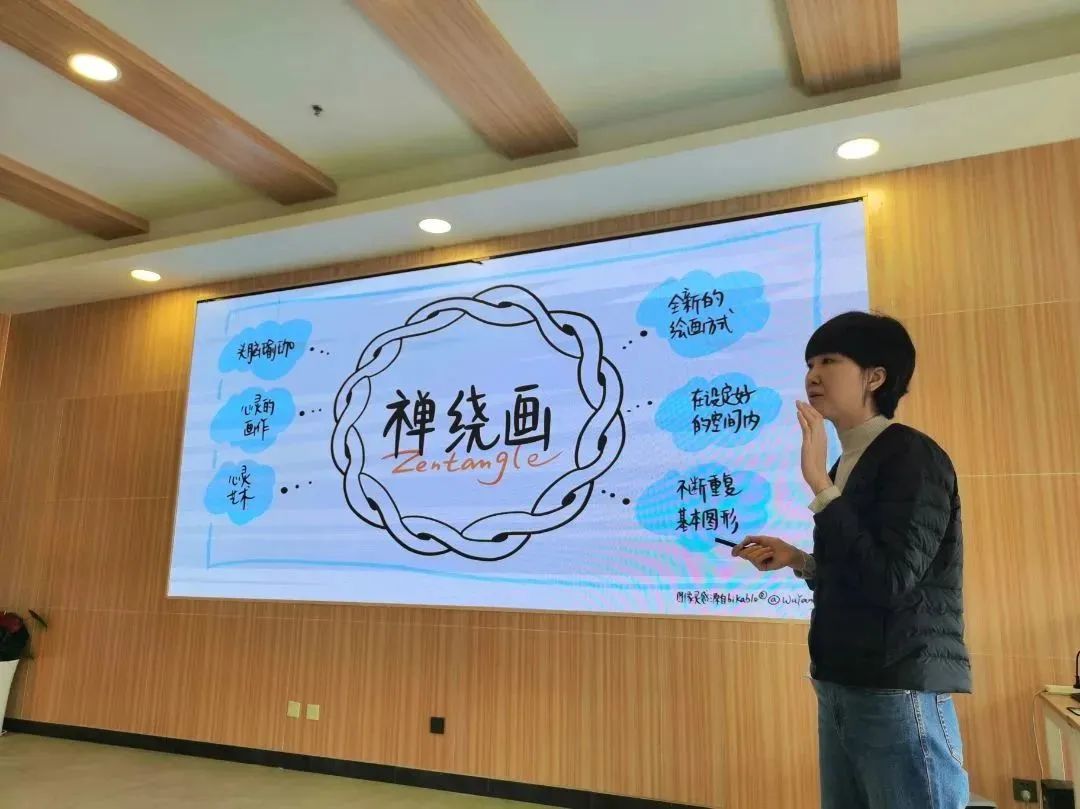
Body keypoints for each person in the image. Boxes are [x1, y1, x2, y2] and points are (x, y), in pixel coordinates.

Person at [733, 311, 971, 809]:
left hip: (896, 687)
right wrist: (799, 560)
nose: (812, 375)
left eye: (829, 361)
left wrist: (820, 484)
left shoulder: (911, 455)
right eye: (809, 364)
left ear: (875, 377)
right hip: (841, 682)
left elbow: (892, 580)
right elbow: (861, 571)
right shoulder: (847, 461)